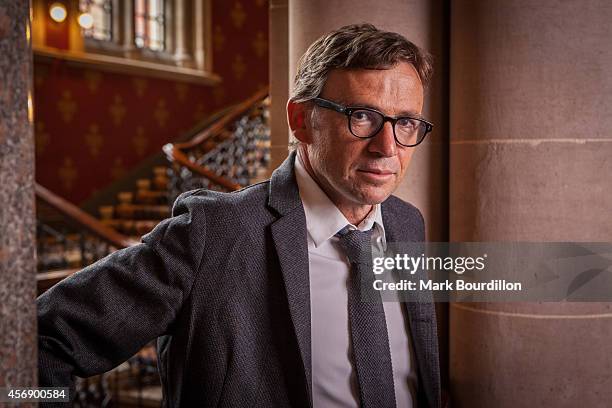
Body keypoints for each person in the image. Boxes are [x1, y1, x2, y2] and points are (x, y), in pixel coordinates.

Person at [38, 23, 441, 407]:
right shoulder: (213, 233)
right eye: (362, 116)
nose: (388, 147)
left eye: (405, 122)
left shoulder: (407, 222)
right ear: (300, 121)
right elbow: (41, 338)